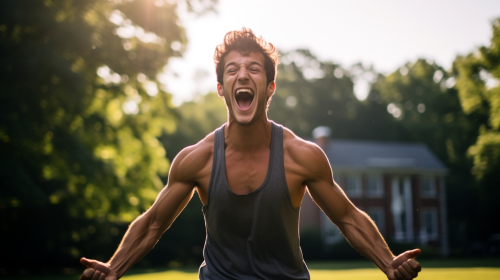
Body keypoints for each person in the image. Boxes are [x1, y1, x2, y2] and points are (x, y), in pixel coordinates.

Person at [79, 28, 422, 280]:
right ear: (221, 89)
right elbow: (154, 222)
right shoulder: (195, 159)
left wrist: (388, 262)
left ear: (269, 88)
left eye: (254, 69)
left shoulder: (302, 156)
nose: (243, 74)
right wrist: (113, 268)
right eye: (232, 70)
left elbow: (347, 217)